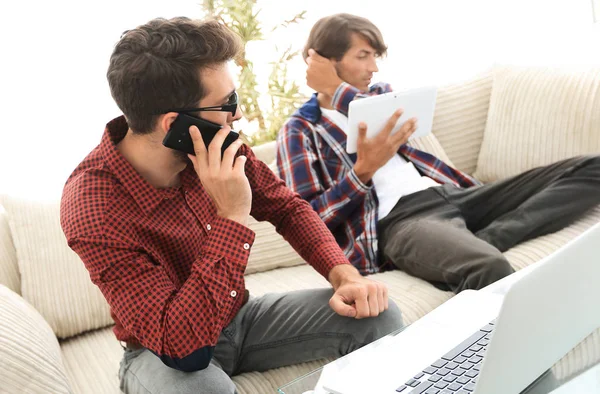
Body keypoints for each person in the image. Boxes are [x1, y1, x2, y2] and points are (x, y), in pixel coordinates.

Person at [59, 17, 403, 394]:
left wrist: (344, 275)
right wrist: (232, 215)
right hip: (160, 352)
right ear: (176, 124)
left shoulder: (220, 142)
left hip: (240, 316)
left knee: (379, 316)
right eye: (227, 103)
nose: (237, 114)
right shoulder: (93, 206)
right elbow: (182, 346)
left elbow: (287, 208)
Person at [276, 13, 600, 293]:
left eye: (375, 55)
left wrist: (334, 89)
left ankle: (490, 235)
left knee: (593, 168)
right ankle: (475, 248)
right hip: (402, 221)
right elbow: (310, 220)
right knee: (488, 266)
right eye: (363, 55)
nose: (373, 66)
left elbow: (367, 109)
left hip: (455, 195)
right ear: (322, 61)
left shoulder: (380, 95)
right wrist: (362, 172)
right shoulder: (300, 130)